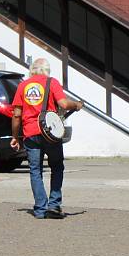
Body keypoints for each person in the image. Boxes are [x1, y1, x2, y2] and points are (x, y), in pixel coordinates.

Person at [10, 58, 82, 219]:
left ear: (32, 70)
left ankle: (40, 209)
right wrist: (76, 105)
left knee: (36, 171)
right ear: (47, 70)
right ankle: (54, 205)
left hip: (30, 133)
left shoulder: (23, 85)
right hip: (50, 132)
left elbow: (16, 115)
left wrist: (15, 136)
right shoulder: (52, 82)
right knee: (57, 167)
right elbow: (63, 104)